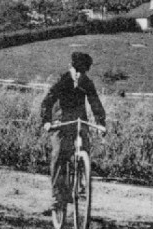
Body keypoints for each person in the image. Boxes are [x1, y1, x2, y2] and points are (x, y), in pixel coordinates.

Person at [40, 51, 107, 212]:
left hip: (79, 121)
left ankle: (82, 182)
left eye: (82, 71)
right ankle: (57, 197)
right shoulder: (62, 80)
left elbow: (95, 102)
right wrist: (46, 121)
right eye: (77, 70)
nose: (79, 75)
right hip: (61, 121)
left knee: (85, 148)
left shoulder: (87, 83)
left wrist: (100, 123)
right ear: (71, 67)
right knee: (59, 154)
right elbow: (48, 100)